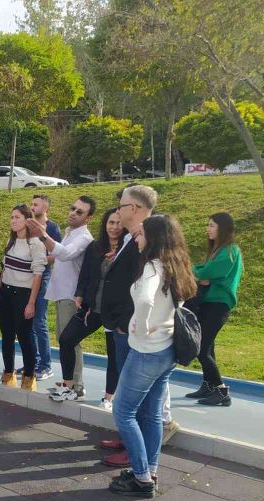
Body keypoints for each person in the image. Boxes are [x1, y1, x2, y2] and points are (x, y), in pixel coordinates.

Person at [109, 214, 197, 498]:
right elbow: (178, 302)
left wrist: (142, 324)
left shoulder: (151, 267)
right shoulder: (176, 266)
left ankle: (142, 476)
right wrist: (157, 323)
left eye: (141, 234)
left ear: (154, 238)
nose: (137, 238)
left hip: (147, 351)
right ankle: (150, 471)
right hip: (166, 349)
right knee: (152, 414)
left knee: (123, 412)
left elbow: (146, 300)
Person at [99, 185, 179, 468]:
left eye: (120, 206)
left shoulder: (147, 240)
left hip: (135, 334)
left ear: (133, 208)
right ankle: (139, 456)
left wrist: (130, 325)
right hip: (133, 330)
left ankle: (139, 462)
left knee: (137, 406)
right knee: (133, 396)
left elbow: (145, 292)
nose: (117, 211)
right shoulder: (132, 239)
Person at [56, 208, 126, 408]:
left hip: (115, 312)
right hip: (92, 308)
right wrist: (79, 294)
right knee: (66, 339)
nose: (114, 227)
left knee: (114, 356)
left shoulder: (128, 250)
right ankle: (69, 386)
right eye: (111, 222)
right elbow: (85, 274)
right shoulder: (96, 247)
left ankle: (109, 398)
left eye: (119, 223)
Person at [28, 196, 96, 400]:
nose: (73, 213)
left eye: (80, 212)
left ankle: (77, 386)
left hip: (71, 296)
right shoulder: (70, 233)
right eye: (72, 208)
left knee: (70, 341)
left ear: (88, 218)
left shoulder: (84, 237)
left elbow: (64, 254)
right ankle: (70, 383)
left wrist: (42, 235)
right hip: (62, 294)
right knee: (64, 340)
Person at [188, 212, 243, 407]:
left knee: (201, 348)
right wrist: (200, 274)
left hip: (218, 304)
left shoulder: (230, 250)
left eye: (211, 225)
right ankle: (208, 385)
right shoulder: (219, 250)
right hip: (209, 303)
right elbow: (204, 270)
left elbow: (211, 272)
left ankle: (221, 390)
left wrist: (194, 273)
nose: (208, 229)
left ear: (222, 228)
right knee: (208, 347)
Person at [0, 204, 46, 390]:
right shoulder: (12, 241)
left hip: (23, 294)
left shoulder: (36, 244)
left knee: (24, 336)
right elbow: (5, 269)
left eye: (17, 217)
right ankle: (8, 373)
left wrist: (31, 304)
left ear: (27, 220)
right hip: (6, 292)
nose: (13, 220)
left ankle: (29, 377)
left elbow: (37, 276)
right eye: (12, 217)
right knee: (6, 335)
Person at [25, 194, 62, 380]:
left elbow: (57, 254)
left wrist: (38, 258)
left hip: (44, 275)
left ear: (45, 208)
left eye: (36, 205)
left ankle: (46, 365)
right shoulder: (27, 225)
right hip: (26, 277)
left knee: (39, 321)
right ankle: (32, 362)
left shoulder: (53, 228)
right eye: (31, 204)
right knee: (27, 321)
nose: (32, 207)